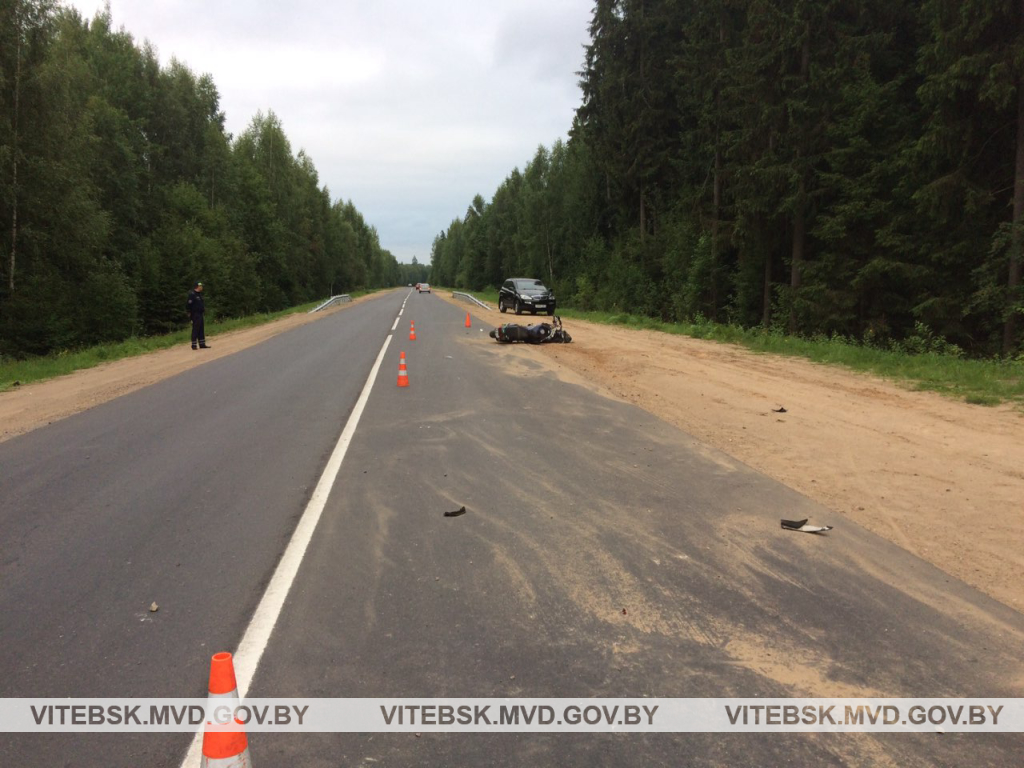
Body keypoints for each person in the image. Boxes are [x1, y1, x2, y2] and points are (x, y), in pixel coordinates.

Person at [186, 281, 210, 349]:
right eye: (201, 286)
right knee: (196, 329)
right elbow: (188, 304)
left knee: (201, 328)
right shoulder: (192, 294)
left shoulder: (199, 294)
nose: (202, 287)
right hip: (195, 314)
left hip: (200, 313)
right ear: (197, 286)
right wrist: (189, 313)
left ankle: (202, 344)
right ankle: (194, 345)